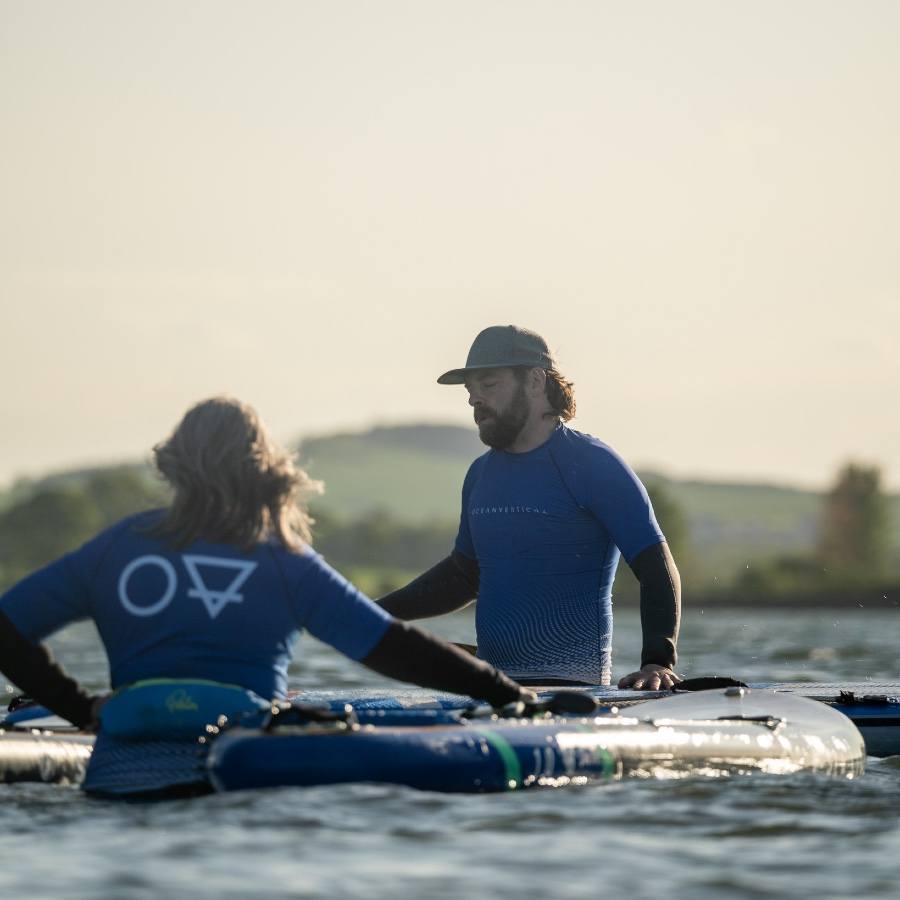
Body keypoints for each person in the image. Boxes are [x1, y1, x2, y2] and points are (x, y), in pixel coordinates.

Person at [0, 397, 531, 793]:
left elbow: (6, 627)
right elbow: (393, 647)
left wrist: (77, 707)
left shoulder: (120, 546)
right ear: (264, 467)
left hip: (117, 776)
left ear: (175, 463)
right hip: (242, 777)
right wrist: (509, 695)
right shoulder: (280, 558)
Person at [378, 325, 682, 691]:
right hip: (490, 694)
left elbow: (656, 567)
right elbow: (464, 576)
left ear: (536, 382)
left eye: (488, 385)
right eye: (470, 390)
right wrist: (372, 612)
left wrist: (657, 662)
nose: (474, 399)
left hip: (572, 697)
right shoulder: (480, 474)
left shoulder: (592, 464)